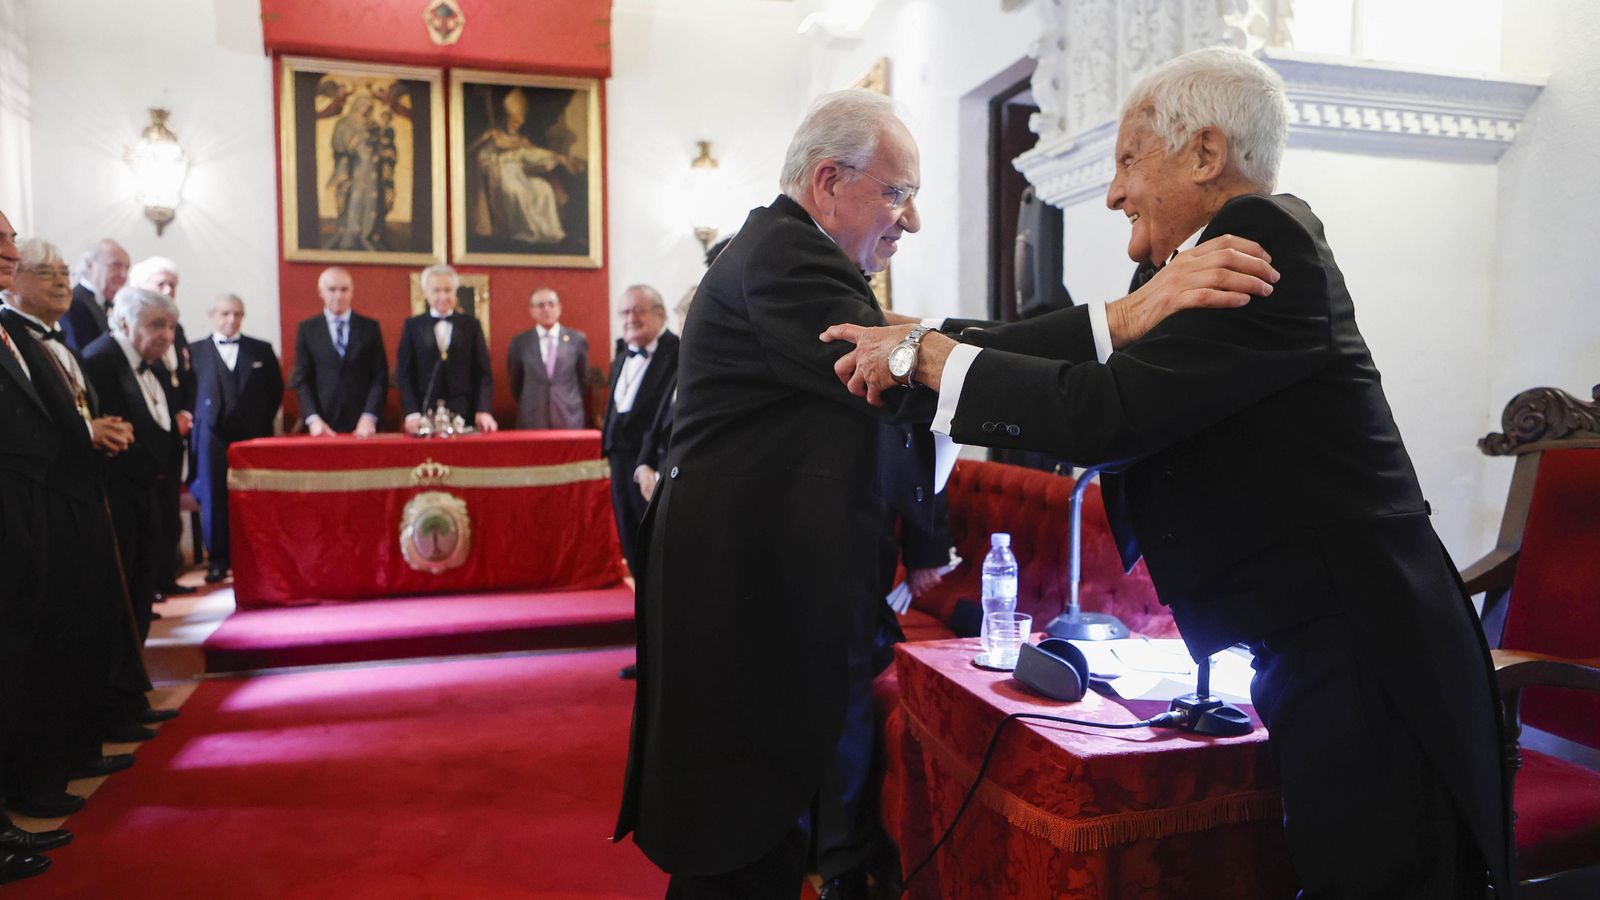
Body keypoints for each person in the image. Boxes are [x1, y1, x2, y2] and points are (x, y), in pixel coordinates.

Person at [829, 47, 1510, 898]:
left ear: (1204, 153)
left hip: (1370, 647)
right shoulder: (1179, 269)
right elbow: (1088, 345)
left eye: (1126, 160)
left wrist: (925, 358)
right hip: (1313, 643)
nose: (1112, 193)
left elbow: (1106, 413)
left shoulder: (1263, 243)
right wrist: (919, 347)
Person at [612, 89, 1272, 896]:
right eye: (897, 193)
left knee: (764, 838)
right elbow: (908, 371)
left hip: (768, 600)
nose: (912, 220)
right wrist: (1125, 320)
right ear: (828, 181)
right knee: (738, 851)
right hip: (744, 611)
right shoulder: (786, 259)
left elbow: (920, 350)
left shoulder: (790, 255)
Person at [1, 239, 144, 821]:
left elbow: (69, 410)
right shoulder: (18, 335)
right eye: (46, 271)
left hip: (69, 498)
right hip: (39, 502)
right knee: (41, 643)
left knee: (80, 628)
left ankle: (72, 751)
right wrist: (85, 434)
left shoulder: (50, 341)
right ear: (16, 283)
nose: (61, 281)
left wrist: (94, 428)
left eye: (64, 271)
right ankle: (34, 780)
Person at [0, 210, 75, 887]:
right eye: (1, 241)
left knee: (15, 657)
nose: (9, 248)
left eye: (10, 238)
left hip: (26, 507)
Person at [80, 287, 183, 643]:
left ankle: (135, 678)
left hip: (144, 493)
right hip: (116, 497)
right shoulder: (100, 360)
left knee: (141, 586)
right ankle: (122, 688)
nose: (167, 337)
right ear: (124, 321)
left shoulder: (147, 365)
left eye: (171, 327)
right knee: (121, 594)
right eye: (157, 325)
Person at [188, 294, 282, 583]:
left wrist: (259, 422)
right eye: (226, 314)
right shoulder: (193, 351)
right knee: (214, 496)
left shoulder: (261, 350)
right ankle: (217, 559)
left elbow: (275, 391)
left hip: (252, 435)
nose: (232, 320)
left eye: (238, 314)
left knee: (254, 494)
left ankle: (258, 555)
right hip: (211, 436)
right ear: (212, 314)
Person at [128, 255, 196, 599]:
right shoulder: (133, 332)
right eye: (160, 284)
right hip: (147, 435)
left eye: (172, 285)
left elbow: (184, 378)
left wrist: (185, 413)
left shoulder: (178, 328)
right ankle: (150, 582)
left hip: (175, 434)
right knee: (150, 511)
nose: (168, 290)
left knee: (169, 509)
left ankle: (167, 577)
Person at [600, 284, 676, 576]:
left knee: (656, 541)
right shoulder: (621, 356)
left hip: (654, 462)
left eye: (638, 310)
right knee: (629, 535)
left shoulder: (678, 352)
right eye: (625, 312)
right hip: (619, 459)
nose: (630, 317)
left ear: (660, 314)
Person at [397, 264, 496, 434]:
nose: (442, 296)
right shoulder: (413, 326)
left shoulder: (471, 325)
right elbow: (405, 374)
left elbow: (483, 372)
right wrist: (411, 412)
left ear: (455, 292)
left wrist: (483, 409)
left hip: (465, 412)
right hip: (423, 413)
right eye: (436, 290)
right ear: (426, 293)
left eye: (448, 290)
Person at [469, 87, 574, 246]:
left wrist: (559, 158)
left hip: (521, 174)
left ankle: (548, 232)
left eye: (519, 119)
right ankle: (523, 232)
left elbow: (534, 155)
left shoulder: (521, 140)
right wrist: (487, 142)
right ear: (507, 117)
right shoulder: (494, 137)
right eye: (514, 119)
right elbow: (479, 155)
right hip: (502, 174)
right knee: (516, 190)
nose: (517, 123)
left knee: (543, 188)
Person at [290, 267, 388, 436]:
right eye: (332, 289)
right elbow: (301, 380)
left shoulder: (369, 328)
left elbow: (380, 377)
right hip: (322, 424)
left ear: (352, 291)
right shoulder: (307, 329)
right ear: (321, 292)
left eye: (344, 289)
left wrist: (369, 416)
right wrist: (313, 419)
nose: (338, 295)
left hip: (363, 425)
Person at [507, 287, 589, 429]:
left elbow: (583, 379)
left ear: (559, 308)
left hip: (569, 417)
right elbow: (516, 384)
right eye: (541, 305)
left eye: (551, 304)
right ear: (532, 311)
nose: (547, 309)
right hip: (532, 419)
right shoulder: (520, 342)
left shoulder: (577, 339)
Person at [60, 238, 128, 353]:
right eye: (116, 265)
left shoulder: (114, 306)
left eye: (127, 268)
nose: (124, 275)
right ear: (89, 264)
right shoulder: (73, 303)